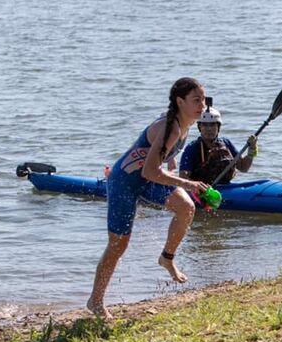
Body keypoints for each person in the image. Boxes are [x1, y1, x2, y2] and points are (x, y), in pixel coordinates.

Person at [87, 78, 210, 319]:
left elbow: (160, 154)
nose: (202, 105)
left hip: (148, 178)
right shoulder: (170, 127)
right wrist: (189, 183)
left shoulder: (185, 124)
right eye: (196, 100)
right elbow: (149, 171)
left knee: (186, 208)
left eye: (204, 100)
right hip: (125, 181)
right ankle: (96, 301)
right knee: (118, 245)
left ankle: (167, 258)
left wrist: (171, 160)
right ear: (180, 101)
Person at [179, 104, 258, 185]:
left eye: (212, 125)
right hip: (202, 192)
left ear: (218, 127)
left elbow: (243, 167)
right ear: (200, 127)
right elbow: (183, 177)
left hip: (225, 188)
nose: (209, 129)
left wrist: (252, 149)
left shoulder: (226, 143)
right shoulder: (192, 148)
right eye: (205, 125)